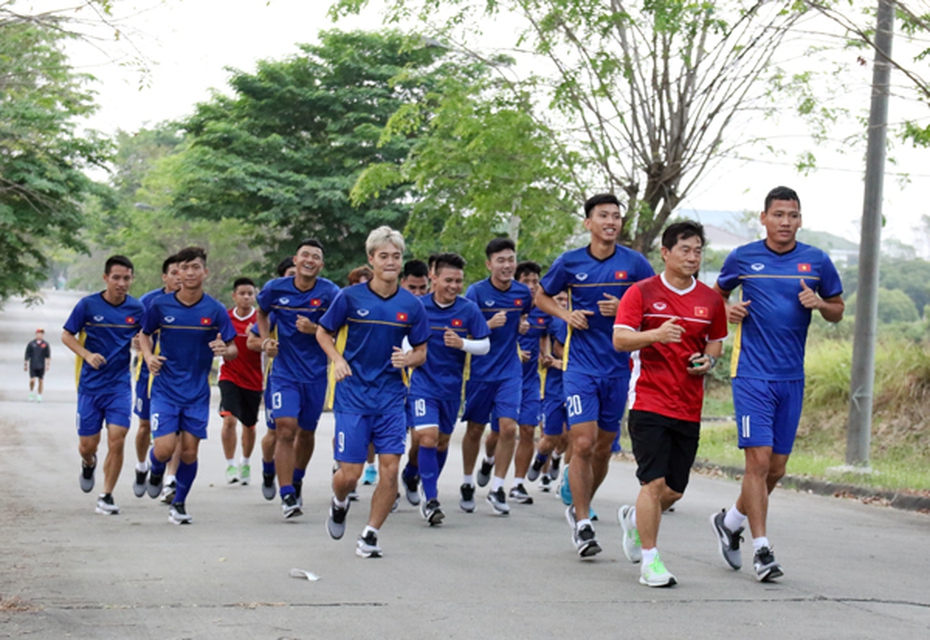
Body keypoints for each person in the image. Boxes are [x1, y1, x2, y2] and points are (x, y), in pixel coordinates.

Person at [710, 186, 844, 581]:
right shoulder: (743, 257)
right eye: (779, 214)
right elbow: (714, 297)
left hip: (792, 377)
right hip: (751, 374)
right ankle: (762, 550)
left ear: (800, 220)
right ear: (764, 218)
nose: (786, 222)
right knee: (759, 461)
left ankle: (731, 520)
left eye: (793, 215)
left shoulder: (817, 261)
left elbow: (837, 309)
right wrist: (727, 310)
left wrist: (820, 305)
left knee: (778, 469)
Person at [535, 193, 654, 557]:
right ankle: (583, 522)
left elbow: (655, 304)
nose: (611, 222)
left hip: (618, 367)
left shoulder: (634, 264)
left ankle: (581, 500)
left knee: (603, 448)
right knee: (582, 443)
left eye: (616, 216)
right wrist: (565, 315)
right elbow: (541, 296)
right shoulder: (570, 262)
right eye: (603, 215)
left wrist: (624, 308)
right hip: (579, 366)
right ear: (588, 223)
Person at [613, 221, 728, 587]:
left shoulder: (710, 300)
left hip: (688, 404)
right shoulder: (641, 293)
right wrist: (656, 335)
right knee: (653, 481)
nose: (693, 257)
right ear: (665, 253)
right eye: (685, 250)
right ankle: (651, 561)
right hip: (648, 399)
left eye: (698, 251)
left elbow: (715, 342)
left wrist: (707, 361)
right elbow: (621, 340)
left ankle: (635, 519)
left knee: (674, 490)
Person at [317, 226, 429, 558]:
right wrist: (337, 360)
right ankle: (339, 504)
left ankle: (370, 534)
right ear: (371, 259)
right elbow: (323, 333)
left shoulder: (412, 305)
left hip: (392, 397)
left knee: (390, 468)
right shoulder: (349, 297)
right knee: (348, 475)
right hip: (352, 395)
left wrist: (408, 358)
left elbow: (422, 351)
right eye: (384, 256)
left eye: (396, 256)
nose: (391, 262)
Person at [140, 246, 238, 525]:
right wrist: (148, 357)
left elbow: (233, 349)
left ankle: (180, 502)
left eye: (196, 267)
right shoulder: (160, 306)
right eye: (185, 268)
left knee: (189, 452)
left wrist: (224, 349)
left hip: (197, 392)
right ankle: (156, 470)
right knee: (163, 449)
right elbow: (144, 335)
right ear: (177, 273)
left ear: (205, 272)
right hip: (165, 389)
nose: (191, 272)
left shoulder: (215, 309)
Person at [256, 239, 341, 519]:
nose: (309, 260)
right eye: (305, 254)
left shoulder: (330, 292)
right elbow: (262, 311)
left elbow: (341, 328)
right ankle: (287, 493)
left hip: (316, 374)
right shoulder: (275, 288)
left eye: (315, 257)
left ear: (321, 265)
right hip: (284, 373)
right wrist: (267, 339)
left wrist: (314, 328)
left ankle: (297, 477)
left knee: (306, 433)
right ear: (295, 259)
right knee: (285, 428)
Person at [407, 252, 490, 524]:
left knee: (440, 442)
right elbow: (404, 339)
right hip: (422, 385)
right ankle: (431, 499)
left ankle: (414, 474)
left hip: (452, 389)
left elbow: (485, 345)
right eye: (449, 280)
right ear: (433, 277)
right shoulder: (417, 306)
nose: (454, 286)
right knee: (427, 438)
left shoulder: (468, 309)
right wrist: (408, 355)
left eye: (459, 281)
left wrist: (463, 344)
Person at [61, 255, 145, 515]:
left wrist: (143, 347)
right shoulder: (87, 305)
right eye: (116, 278)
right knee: (88, 446)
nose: (122, 283)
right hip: (90, 386)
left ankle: (106, 495)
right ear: (105, 278)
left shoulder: (137, 309)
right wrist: (86, 355)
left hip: (119, 386)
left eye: (127, 278)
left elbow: (147, 337)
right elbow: (66, 335)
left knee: (117, 439)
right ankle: (89, 463)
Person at [460, 238, 534, 515]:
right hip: (480, 371)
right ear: (489, 264)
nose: (507, 265)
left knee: (508, 429)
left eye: (511, 259)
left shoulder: (522, 293)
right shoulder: (475, 292)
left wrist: (522, 326)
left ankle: (497, 488)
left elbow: (523, 318)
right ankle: (467, 482)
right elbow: (463, 331)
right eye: (500, 260)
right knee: (475, 430)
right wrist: (487, 325)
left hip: (510, 371)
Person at [246, 256, 297, 501]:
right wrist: (266, 345)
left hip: (309, 380)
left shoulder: (313, 307)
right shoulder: (275, 312)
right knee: (277, 432)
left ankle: (291, 481)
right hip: (279, 378)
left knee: (296, 433)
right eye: (289, 275)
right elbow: (251, 340)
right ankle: (268, 468)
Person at [132, 255, 182, 500]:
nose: (179, 277)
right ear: (165, 277)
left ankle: (171, 480)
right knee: (144, 426)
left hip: (180, 376)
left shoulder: (194, 303)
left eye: (182, 272)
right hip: (148, 373)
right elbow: (135, 333)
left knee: (177, 430)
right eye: (174, 273)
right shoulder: (148, 301)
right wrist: (141, 346)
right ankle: (142, 466)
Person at [508, 260, 548, 504]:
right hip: (504, 379)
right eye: (526, 281)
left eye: (536, 282)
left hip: (531, 380)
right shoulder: (509, 306)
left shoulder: (543, 310)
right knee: (500, 432)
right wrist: (514, 349)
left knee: (527, 430)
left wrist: (545, 354)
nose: (532, 286)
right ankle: (489, 460)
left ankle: (517, 484)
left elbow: (546, 335)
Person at [218, 277, 264, 485]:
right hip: (229, 375)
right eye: (242, 293)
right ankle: (230, 464)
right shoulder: (225, 318)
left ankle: (245, 461)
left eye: (250, 294)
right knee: (229, 420)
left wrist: (258, 337)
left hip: (254, 379)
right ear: (234, 296)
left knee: (249, 425)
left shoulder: (261, 320)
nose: (246, 297)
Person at [528, 291, 570, 490]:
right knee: (551, 436)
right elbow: (544, 342)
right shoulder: (551, 321)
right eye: (559, 299)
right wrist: (546, 358)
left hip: (576, 386)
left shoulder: (579, 318)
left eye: (566, 299)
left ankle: (564, 472)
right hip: (553, 388)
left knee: (571, 437)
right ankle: (541, 459)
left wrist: (563, 363)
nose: (563, 303)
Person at [398, 258, 431, 501]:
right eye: (413, 288)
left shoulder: (429, 311)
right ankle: (387, 486)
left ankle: (411, 471)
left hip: (423, 384)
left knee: (420, 437)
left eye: (423, 288)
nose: (418, 294)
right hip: (392, 384)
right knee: (389, 439)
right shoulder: (392, 307)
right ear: (402, 284)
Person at [24, 329, 51, 402]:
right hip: (33, 364)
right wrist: (26, 364)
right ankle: (31, 391)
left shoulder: (45, 344)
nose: (40, 335)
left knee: (41, 380)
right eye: (38, 334)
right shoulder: (31, 344)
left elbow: (48, 356)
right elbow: (27, 354)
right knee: (32, 380)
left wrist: (48, 364)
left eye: (41, 334)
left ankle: (39, 395)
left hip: (41, 365)